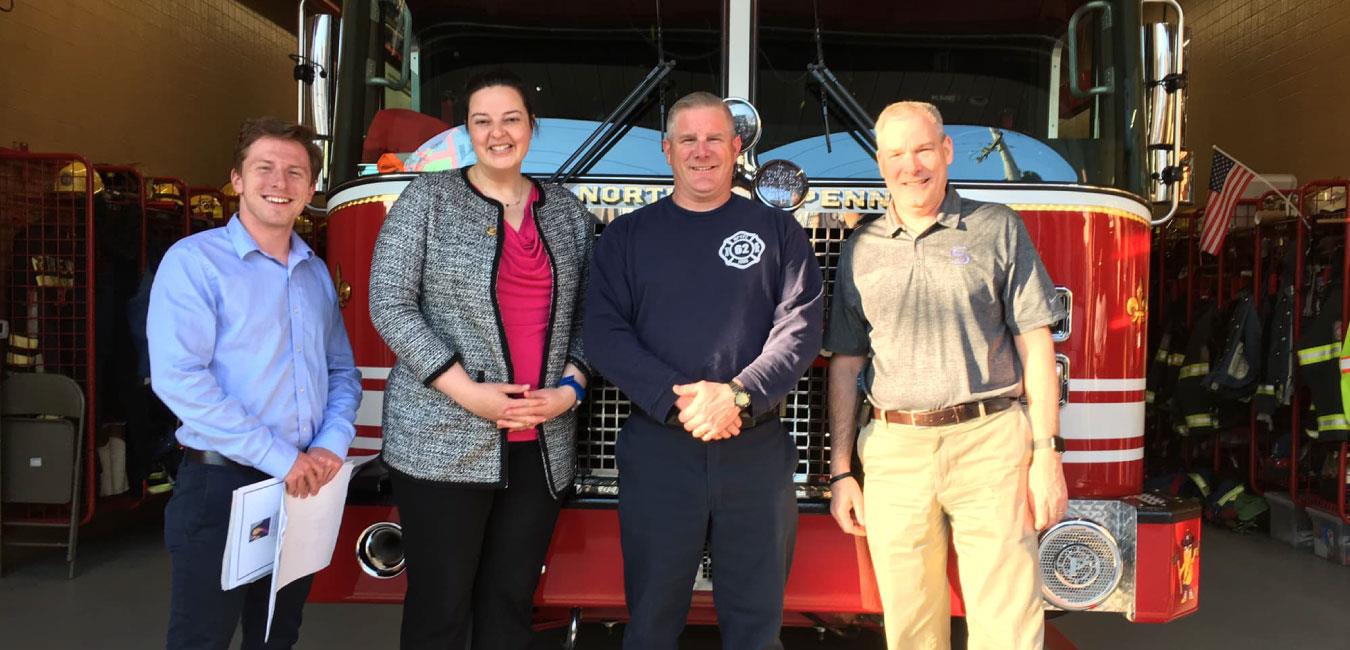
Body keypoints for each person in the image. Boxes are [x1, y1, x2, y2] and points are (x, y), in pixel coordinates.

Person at [824, 101, 1068, 650]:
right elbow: (845, 362)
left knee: (1007, 621)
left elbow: (1036, 342)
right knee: (909, 627)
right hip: (894, 450)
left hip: (990, 443)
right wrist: (842, 471)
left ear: (947, 152)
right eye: (896, 155)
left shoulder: (997, 227)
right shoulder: (860, 248)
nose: (911, 166)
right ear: (881, 165)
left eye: (922, 150)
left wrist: (1047, 453)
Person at [584, 91, 824, 650]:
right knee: (650, 621)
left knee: (757, 625)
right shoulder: (626, 238)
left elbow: (800, 330)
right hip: (659, 448)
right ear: (667, 151)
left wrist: (737, 396)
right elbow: (605, 334)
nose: (702, 151)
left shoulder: (779, 233)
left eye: (714, 138)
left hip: (755, 451)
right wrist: (682, 403)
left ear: (737, 147)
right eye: (687, 140)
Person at [367, 69, 594, 650]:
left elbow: (597, 317)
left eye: (510, 119)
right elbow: (389, 302)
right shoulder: (427, 199)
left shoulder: (567, 215)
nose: (498, 133)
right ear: (467, 132)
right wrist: (468, 392)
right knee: (440, 610)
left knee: (510, 603)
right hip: (442, 444)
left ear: (531, 128)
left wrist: (570, 389)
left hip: (540, 447)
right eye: (482, 121)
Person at [148, 117, 361, 650]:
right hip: (221, 487)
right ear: (236, 180)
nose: (280, 183)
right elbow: (180, 380)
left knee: (277, 635)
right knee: (202, 637)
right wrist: (283, 457)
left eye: (296, 172)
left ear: (311, 189)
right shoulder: (195, 264)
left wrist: (329, 447)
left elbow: (342, 371)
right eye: (264, 168)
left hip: (303, 487)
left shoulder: (315, 274)